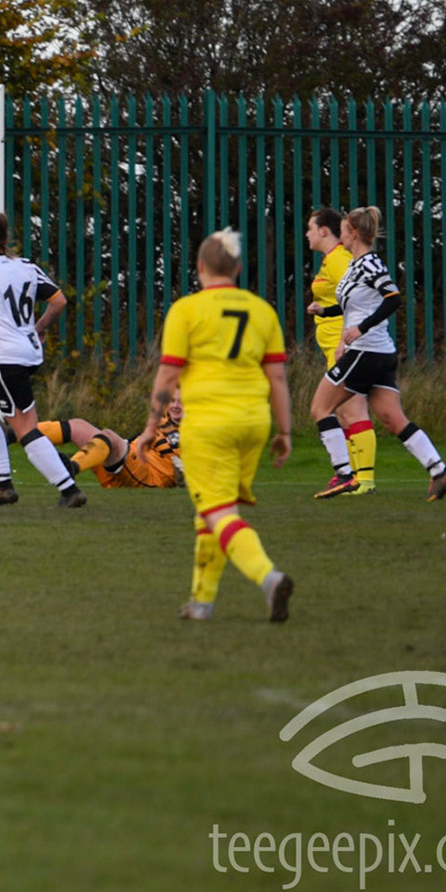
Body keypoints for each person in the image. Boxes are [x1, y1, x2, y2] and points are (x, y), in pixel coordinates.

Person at [152, 229, 294, 623]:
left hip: (209, 424)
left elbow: (167, 377)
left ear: (199, 267)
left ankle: (269, 577)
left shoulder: (187, 310)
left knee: (218, 512)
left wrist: (151, 426)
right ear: (237, 268)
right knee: (211, 511)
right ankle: (201, 602)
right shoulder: (262, 310)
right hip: (253, 422)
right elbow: (278, 379)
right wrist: (284, 432)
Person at [308, 206, 446, 501]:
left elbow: (393, 298)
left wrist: (361, 329)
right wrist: (324, 311)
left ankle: (344, 475)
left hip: (366, 351)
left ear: (353, 233)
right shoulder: (354, 265)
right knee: (393, 418)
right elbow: (354, 304)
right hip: (380, 354)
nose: (339, 234)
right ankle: (439, 471)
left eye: (342, 230)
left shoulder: (369, 264)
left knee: (320, 408)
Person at [0, 211, 86, 508]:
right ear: (4, 239)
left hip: (5, 357)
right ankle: (3, 487)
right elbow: (59, 301)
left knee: (25, 427)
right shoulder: (26, 266)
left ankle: (69, 489)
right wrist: (39, 327)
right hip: (25, 352)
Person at [306, 207, 376, 495]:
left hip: (345, 346)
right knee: (346, 413)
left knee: (352, 410)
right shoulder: (329, 261)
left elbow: (359, 299)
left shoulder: (339, 259)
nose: (307, 234)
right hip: (334, 347)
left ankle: (360, 478)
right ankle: (354, 477)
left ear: (324, 230)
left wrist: (344, 342)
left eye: (310, 228)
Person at [35, 399, 184, 491]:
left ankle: (70, 468)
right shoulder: (165, 419)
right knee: (78, 426)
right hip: (127, 462)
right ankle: (16, 433)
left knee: (109, 436)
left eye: (182, 402)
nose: (175, 406)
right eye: (173, 400)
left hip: (149, 478)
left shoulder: (196, 431)